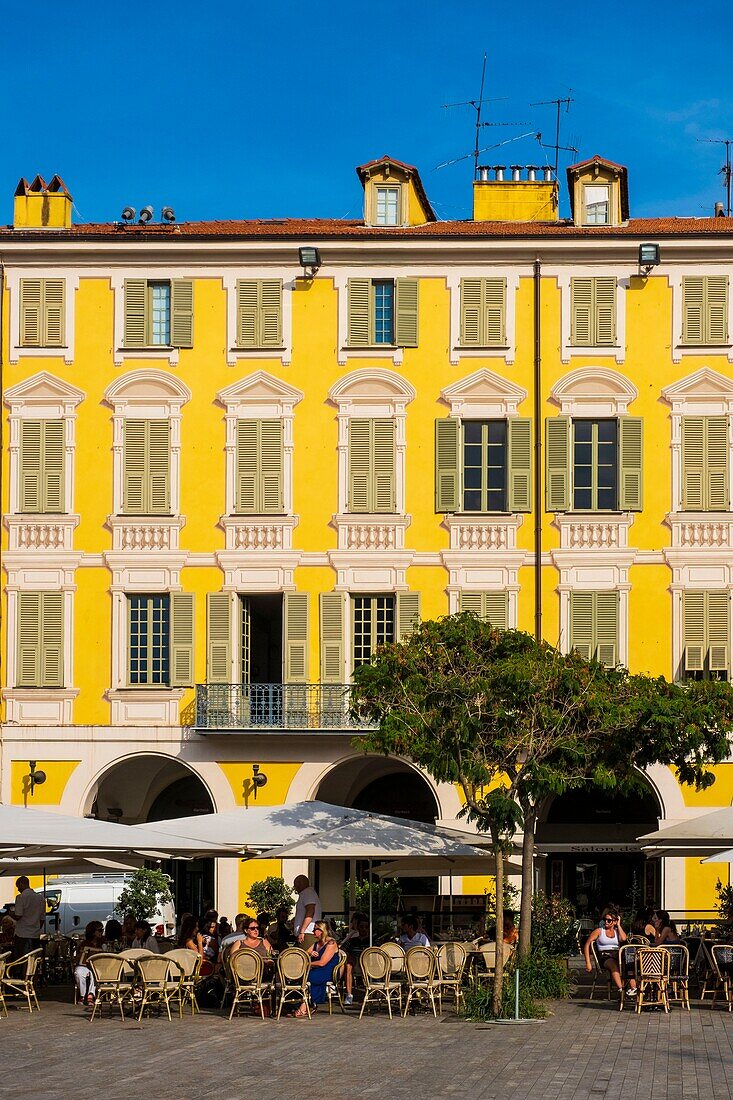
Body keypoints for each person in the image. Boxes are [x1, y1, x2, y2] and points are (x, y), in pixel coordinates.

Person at [584, 909, 636, 998]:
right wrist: (588, 963)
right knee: (613, 964)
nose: (606, 922)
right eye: (605, 920)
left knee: (629, 962)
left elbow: (623, 939)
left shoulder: (617, 931)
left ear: (615, 922)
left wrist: (619, 925)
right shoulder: (599, 931)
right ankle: (621, 990)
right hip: (604, 956)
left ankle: (633, 988)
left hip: (616, 954)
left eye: (609, 920)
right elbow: (587, 944)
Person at [292, 920, 339, 1017]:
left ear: (321, 930)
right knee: (300, 976)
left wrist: (307, 964)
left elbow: (322, 963)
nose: (313, 932)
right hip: (317, 970)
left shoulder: (331, 943)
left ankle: (305, 1005)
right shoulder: (316, 944)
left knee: (308, 977)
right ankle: (305, 1003)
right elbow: (304, 953)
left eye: (315, 930)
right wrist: (309, 953)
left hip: (328, 971)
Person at [11, 876, 45, 959]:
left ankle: (21, 972)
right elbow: (42, 918)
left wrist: (10, 913)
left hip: (22, 934)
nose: (18, 889)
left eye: (18, 886)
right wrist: (36, 928)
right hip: (35, 934)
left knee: (21, 959)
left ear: (21, 884)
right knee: (33, 959)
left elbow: (18, 916)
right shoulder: (40, 898)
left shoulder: (20, 897)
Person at [342, 913, 370, 1006]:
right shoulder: (352, 941)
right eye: (361, 927)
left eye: (366, 927)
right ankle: (349, 995)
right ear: (358, 927)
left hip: (369, 964)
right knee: (348, 965)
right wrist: (348, 956)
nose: (364, 929)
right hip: (355, 963)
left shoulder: (372, 941)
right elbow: (342, 950)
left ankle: (369, 994)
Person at [74, 921, 104, 1006]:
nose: (102, 932)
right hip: (85, 965)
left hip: (99, 966)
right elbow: (77, 959)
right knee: (79, 972)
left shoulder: (103, 941)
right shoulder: (84, 943)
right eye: (100, 930)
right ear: (93, 932)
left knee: (94, 972)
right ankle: (83, 995)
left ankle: (91, 995)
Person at [293, 875, 322, 949]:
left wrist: (302, 931)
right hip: (306, 933)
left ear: (299, 884)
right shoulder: (307, 893)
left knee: (305, 957)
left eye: (295, 885)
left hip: (308, 933)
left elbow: (310, 911)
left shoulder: (308, 893)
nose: (295, 888)